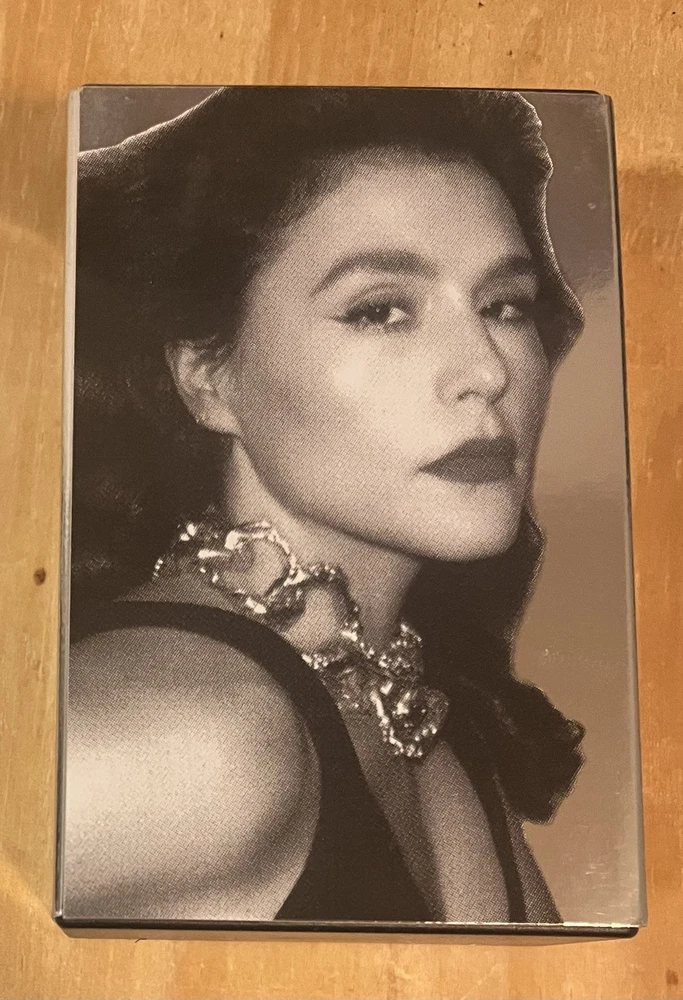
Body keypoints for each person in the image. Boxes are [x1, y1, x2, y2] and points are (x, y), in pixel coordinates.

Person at [62, 86, 586, 926]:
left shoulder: (423, 719)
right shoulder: (201, 733)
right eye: (381, 311)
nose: (487, 371)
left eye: (503, 306)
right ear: (207, 378)